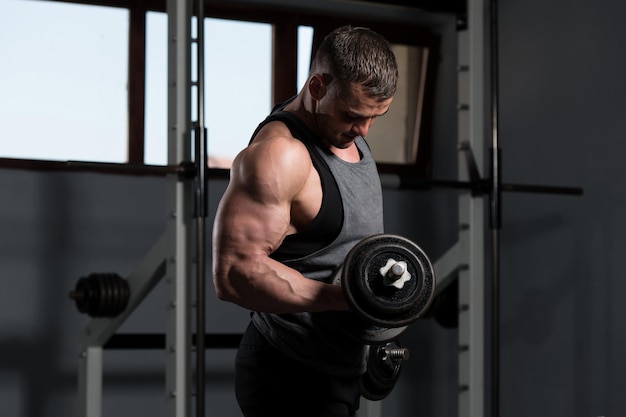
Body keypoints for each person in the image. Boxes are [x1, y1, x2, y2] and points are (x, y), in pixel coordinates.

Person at [212, 25, 398, 417]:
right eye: (353, 115)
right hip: (289, 374)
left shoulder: (344, 131)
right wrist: (349, 299)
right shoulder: (279, 157)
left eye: (374, 117)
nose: (364, 130)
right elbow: (233, 274)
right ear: (316, 87)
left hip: (338, 369)